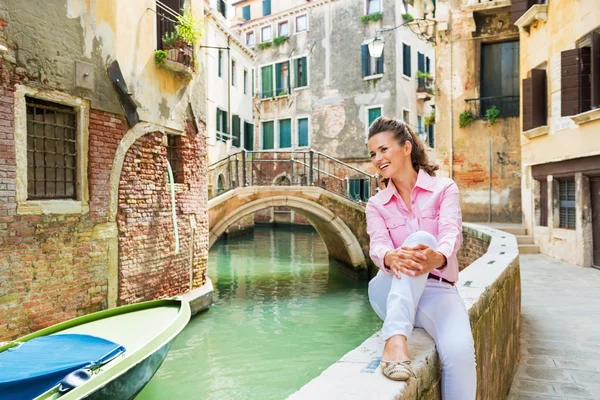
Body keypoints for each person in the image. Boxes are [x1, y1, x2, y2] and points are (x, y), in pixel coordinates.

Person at [365, 116, 476, 400]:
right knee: (422, 240)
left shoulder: (444, 189)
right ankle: (395, 340)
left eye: (384, 149)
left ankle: (395, 336)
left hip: (438, 290)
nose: (378, 159)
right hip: (388, 288)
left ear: (406, 148)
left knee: (461, 353)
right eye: (373, 153)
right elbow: (377, 246)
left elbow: (452, 233)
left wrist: (437, 257)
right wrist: (390, 255)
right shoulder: (375, 204)